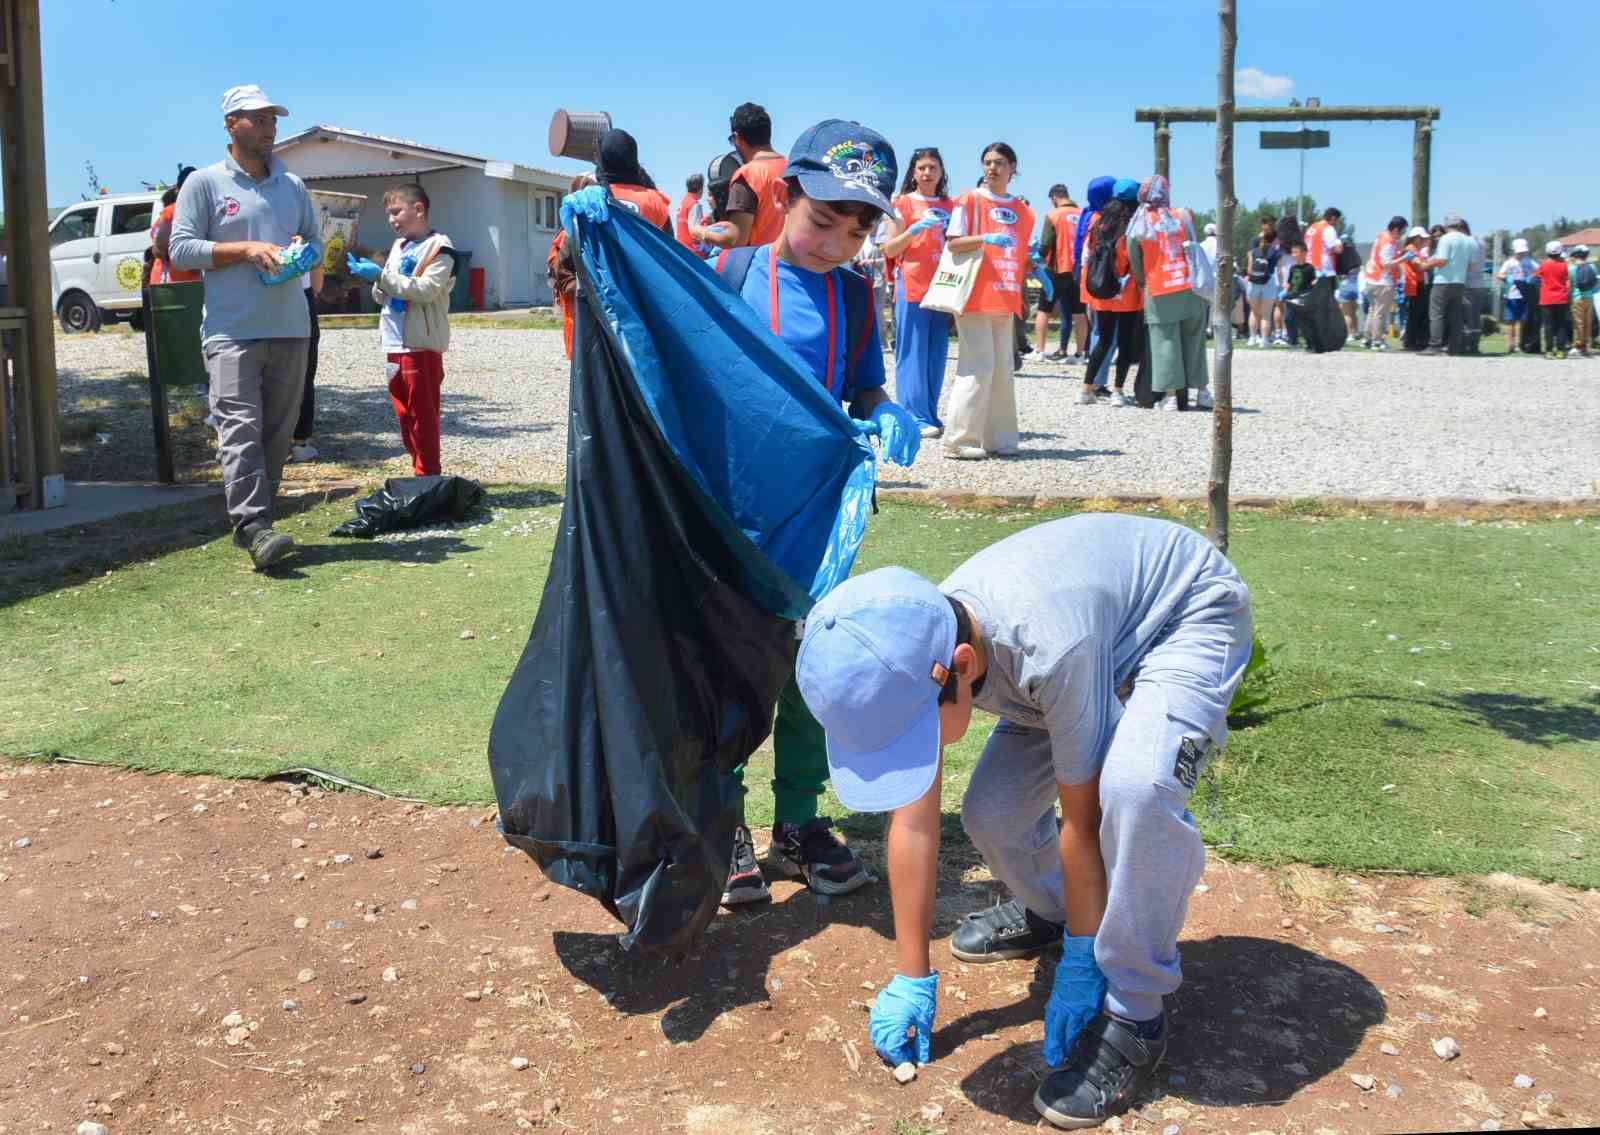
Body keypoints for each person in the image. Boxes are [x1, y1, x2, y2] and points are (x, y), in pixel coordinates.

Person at [792, 514, 1252, 1130]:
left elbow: (1080, 824)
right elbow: (916, 822)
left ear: (959, 666)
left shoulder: (1045, 645)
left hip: (1182, 616)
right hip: (1075, 649)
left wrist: (1087, 964)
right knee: (992, 813)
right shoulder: (920, 638)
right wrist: (911, 976)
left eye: (910, 735)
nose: (911, 751)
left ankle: (1136, 1011)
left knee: (1135, 791)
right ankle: (1056, 914)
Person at [697, 118, 921, 904]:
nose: (836, 242)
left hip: (819, 517)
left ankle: (796, 819)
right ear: (784, 195)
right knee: (724, 666)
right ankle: (721, 821)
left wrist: (883, 406)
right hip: (728, 512)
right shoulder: (724, 274)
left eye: (857, 230)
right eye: (823, 219)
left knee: (810, 666)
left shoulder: (856, 299)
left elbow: (864, 384)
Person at [169, 84, 321, 570]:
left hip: (291, 327)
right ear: (231, 124)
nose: (270, 127)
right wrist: (244, 250)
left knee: (277, 436)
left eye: (273, 119)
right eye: (259, 119)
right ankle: (253, 524)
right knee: (239, 430)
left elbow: (317, 245)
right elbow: (181, 250)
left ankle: (260, 521)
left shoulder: (293, 186)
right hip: (231, 331)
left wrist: (302, 251)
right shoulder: (205, 184)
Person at [346, 184, 457, 476]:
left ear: (418, 209)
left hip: (420, 347)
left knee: (423, 415)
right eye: (388, 215)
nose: (391, 220)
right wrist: (373, 278)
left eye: (396, 212)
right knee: (404, 413)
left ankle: (428, 474)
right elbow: (382, 293)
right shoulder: (398, 246)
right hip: (393, 345)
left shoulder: (441, 249)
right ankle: (417, 467)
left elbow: (426, 291)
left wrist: (382, 277)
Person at [940, 143, 1036, 459]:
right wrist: (984, 238)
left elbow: (1021, 256)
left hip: (1005, 297)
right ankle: (960, 440)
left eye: (999, 163)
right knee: (977, 367)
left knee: (1003, 370)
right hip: (975, 296)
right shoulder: (969, 200)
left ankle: (1001, 438)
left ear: (1013, 167)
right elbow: (953, 244)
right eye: (987, 162)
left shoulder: (1024, 213)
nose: (992, 168)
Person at [878, 147, 956, 437]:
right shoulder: (901, 204)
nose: (926, 173)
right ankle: (913, 414)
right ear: (913, 172)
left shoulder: (951, 205)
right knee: (912, 351)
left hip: (944, 286)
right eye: (921, 167)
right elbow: (888, 248)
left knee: (936, 352)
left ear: (940, 172)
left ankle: (930, 414)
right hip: (912, 285)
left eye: (932, 167)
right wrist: (913, 231)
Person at [1126, 175, 1210, 412]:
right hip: (1189, 287)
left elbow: (1135, 259)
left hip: (1160, 288)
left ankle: (1171, 396)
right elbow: (1194, 246)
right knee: (1195, 341)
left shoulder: (1140, 223)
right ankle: (1203, 392)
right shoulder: (1182, 216)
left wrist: (1143, 284)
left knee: (1166, 343)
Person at [1079, 180, 1143, 407]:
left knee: (1103, 341)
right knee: (1124, 342)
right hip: (1127, 292)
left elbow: (1087, 254)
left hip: (1102, 289)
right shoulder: (1133, 224)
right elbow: (1133, 257)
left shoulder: (1098, 222)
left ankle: (1086, 390)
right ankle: (1117, 391)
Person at [702, 103, 787, 249]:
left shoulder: (747, 175)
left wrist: (701, 233)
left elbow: (736, 241)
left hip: (763, 267)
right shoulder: (793, 169)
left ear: (737, 138)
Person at [1033, 184, 1087, 361]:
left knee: (1044, 309)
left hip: (1056, 268)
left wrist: (1034, 257)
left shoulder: (1053, 215)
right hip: (1079, 269)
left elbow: (1046, 243)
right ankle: (1080, 354)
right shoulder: (1083, 215)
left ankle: (1039, 351)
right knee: (1079, 312)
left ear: (1054, 198)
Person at [1418, 214, 1473, 356]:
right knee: (1455, 316)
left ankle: (1434, 345)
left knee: (1436, 314)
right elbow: (1471, 266)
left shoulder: (1445, 239)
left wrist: (1425, 265)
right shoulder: (1469, 241)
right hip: (1460, 282)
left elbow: (1442, 260)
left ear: (1446, 226)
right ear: (1460, 226)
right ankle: (1454, 347)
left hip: (1443, 281)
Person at [288, 257, 326, 463]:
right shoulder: (306, 230)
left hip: (257, 299)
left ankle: (268, 441)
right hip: (301, 297)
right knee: (304, 373)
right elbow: (317, 284)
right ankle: (299, 441)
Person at [148, 166, 200, 286]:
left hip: (191, 283)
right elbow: (159, 249)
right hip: (173, 283)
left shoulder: (203, 211)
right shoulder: (172, 212)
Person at [1361, 216, 1407, 350]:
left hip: (1371, 279)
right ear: (1396, 229)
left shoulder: (1380, 236)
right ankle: (1377, 341)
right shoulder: (1390, 242)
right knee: (1380, 313)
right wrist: (1402, 259)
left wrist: (1398, 255)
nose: (1403, 234)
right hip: (1383, 281)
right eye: (1403, 231)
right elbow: (1385, 263)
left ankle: (1367, 339)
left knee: (1372, 311)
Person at [1244, 218, 1281, 348]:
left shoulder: (1254, 245)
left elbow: (1249, 265)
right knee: (1265, 313)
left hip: (1254, 280)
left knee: (1254, 312)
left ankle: (1253, 338)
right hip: (1269, 279)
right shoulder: (1275, 246)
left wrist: (1250, 276)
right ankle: (1263, 340)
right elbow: (1279, 266)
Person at [1497, 237, 1537, 354]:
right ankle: (1510, 344)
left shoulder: (1529, 262)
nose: (1521, 254)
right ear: (1514, 250)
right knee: (1510, 321)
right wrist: (1507, 278)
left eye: (1523, 252)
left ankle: (1520, 344)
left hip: (1525, 295)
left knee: (1522, 321)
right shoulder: (1509, 262)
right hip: (1512, 295)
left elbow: (1539, 271)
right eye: (1519, 252)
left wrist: (1532, 277)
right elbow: (1500, 274)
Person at [1534, 241, 1571, 359]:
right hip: (1561, 298)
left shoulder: (1544, 265)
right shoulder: (1564, 265)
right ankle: (1560, 350)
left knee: (1548, 326)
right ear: (1560, 252)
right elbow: (1567, 279)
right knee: (1561, 325)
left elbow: (1535, 277)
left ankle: (1549, 351)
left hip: (1546, 299)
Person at [1568, 245, 1595, 357]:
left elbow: (1571, 285)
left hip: (1577, 298)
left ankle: (1577, 346)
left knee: (1578, 323)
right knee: (1588, 322)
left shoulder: (1571, 268)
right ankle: (1586, 346)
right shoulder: (1592, 267)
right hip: (1589, 298)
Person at [673, 173, 709, 254]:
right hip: (692, 252)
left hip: (681, 248)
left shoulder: (683, 203)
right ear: (700, 189)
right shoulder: (695, 205)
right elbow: (695, 232)